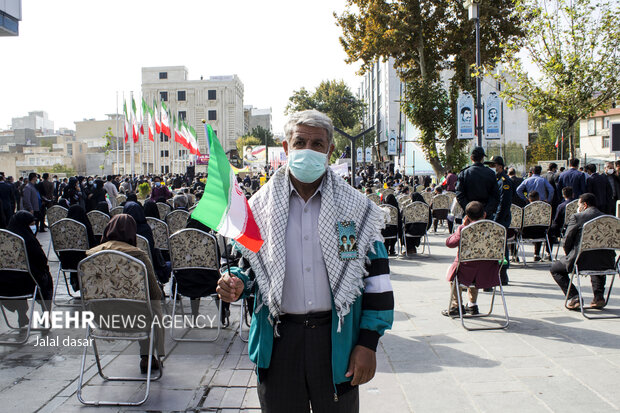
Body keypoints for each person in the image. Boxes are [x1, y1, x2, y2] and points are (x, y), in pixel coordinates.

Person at [216, 110, 393, 412]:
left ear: (329, 151)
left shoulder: (355, 209)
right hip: (280, 340)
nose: (308, 150)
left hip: (336, 342)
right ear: (286, 148)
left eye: (317, 144)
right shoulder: (257, 209)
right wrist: (234, 282)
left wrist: (368, 343)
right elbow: (245, 268)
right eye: (300, 142)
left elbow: (376, 282)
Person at [86, 214, 164, 373]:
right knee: (152, 307)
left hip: (101, 319)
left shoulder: (91, 255)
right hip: (136, 320)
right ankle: (149, 356)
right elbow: (155, 293)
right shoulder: (138, 255)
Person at [549, 193, 615, 310]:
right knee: (597, 260)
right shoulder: (608, 218)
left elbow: (567, 240)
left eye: (578, 204)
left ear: (584, 205)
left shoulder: (577, 217)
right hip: (607, 261)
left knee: (555, 269)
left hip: (581, 260)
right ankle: (599, 296)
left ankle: (574, 297)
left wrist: (569, 254)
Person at [442, 201, 500, 316]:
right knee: (478, 263)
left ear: (467, 217)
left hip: (466, 272)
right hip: (489, 272)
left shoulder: (464, 229)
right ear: (484, 214)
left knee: (454, 270)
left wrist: (460, 228)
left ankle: (456, 305)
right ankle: (472, 304)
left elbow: (450, 243)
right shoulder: (496, 229)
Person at [1, 211, 53, 327]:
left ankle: (21, 314)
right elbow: (42, 261)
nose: (33, 227)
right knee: (46, 279)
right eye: (31, 224)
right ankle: (45, 315)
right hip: (28, 282)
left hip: (4, 284)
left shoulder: (4, 240)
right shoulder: (27, 240)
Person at [123, 201, 170, 284]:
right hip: (147, 266)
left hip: (125, 267)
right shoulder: (145, 228)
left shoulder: (122, 230)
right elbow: (151, 249)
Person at [485, 156, 513, 285]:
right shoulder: (495, 180)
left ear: (500, 166)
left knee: (501, 245)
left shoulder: (504, 181)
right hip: (495, 217)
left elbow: (504, 204)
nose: (491, 168)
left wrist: (496, 219)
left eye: (493, 165)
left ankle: (503, 273)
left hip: (501, 218)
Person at [456, 146, 500, 220]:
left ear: (471, 158)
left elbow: (459, 195)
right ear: (482, 158)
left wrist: (469, 210)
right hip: (486, 215)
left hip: (469, 216)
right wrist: (486, 211)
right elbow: (495, 196)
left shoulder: (464, 173)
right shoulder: (490, 173)